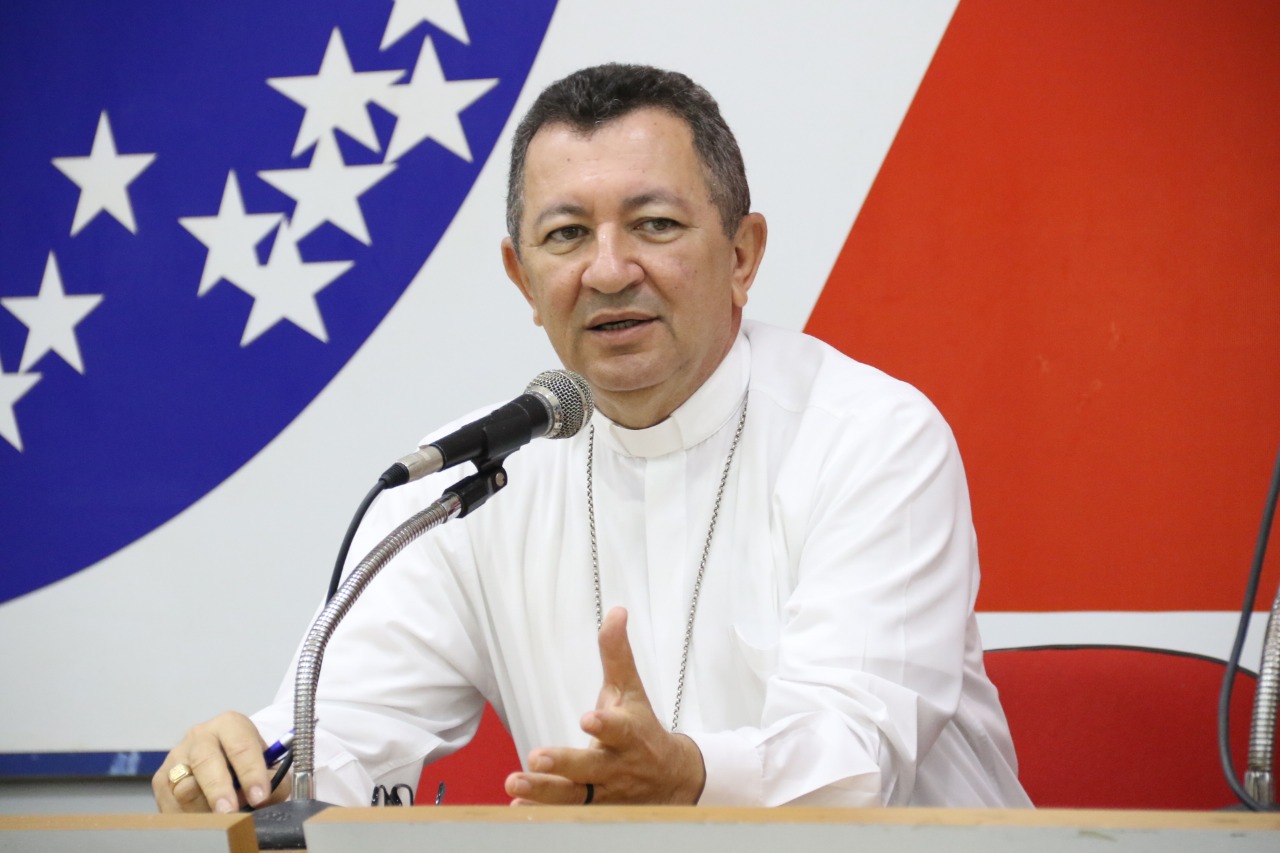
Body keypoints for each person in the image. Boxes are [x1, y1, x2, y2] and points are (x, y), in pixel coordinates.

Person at [153, 63, 1030, 813]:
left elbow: (857, 759)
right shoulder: (469, 479)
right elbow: (342, 736)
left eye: (655, 225)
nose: (608, 270)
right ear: (523, 279)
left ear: (742, 255)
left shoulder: (871, 439)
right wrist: (246, 772)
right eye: (567, 234)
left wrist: (688, 774)